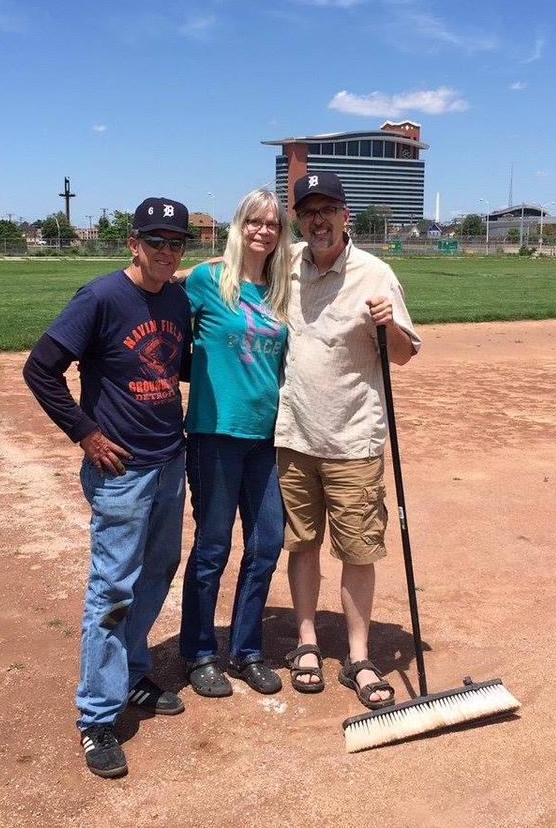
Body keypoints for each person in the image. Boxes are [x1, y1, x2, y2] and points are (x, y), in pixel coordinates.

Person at [22, 197, 193, 779]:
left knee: (157, 570)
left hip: (170, 459)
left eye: (176, 243)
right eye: (157, 241)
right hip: (121, 469)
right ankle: (96, 717)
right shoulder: (100, 297)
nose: (167, 252)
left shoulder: (175, 297)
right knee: (113, 587)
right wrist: (85, 433)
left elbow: (177, 365)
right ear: (133, 243)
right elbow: (40, 367)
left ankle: (132, 673)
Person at [276, 172, 421, 710]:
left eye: (327, 210)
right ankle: (307, 642)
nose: (318, 220)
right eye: (308, 211)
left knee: (358, 550)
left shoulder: (376, 275)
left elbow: (404, 355)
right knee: (302, 543)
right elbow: (233, 261)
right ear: (300, 219)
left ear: (345, 215)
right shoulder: (286, 265)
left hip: (355, 440)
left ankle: (358, 657)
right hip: (294, 436)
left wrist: (389, 327)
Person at [177, 188, 293, 698]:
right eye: (255, 221)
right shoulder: (207, 281)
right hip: (214, 435)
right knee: (213, 547)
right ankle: (199, 652)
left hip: (266, 438)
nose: (263, 230)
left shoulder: (282, 290)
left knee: (267, 544)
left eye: (273, 223)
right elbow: (160, 311)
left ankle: (246, 650)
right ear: (239, 225)